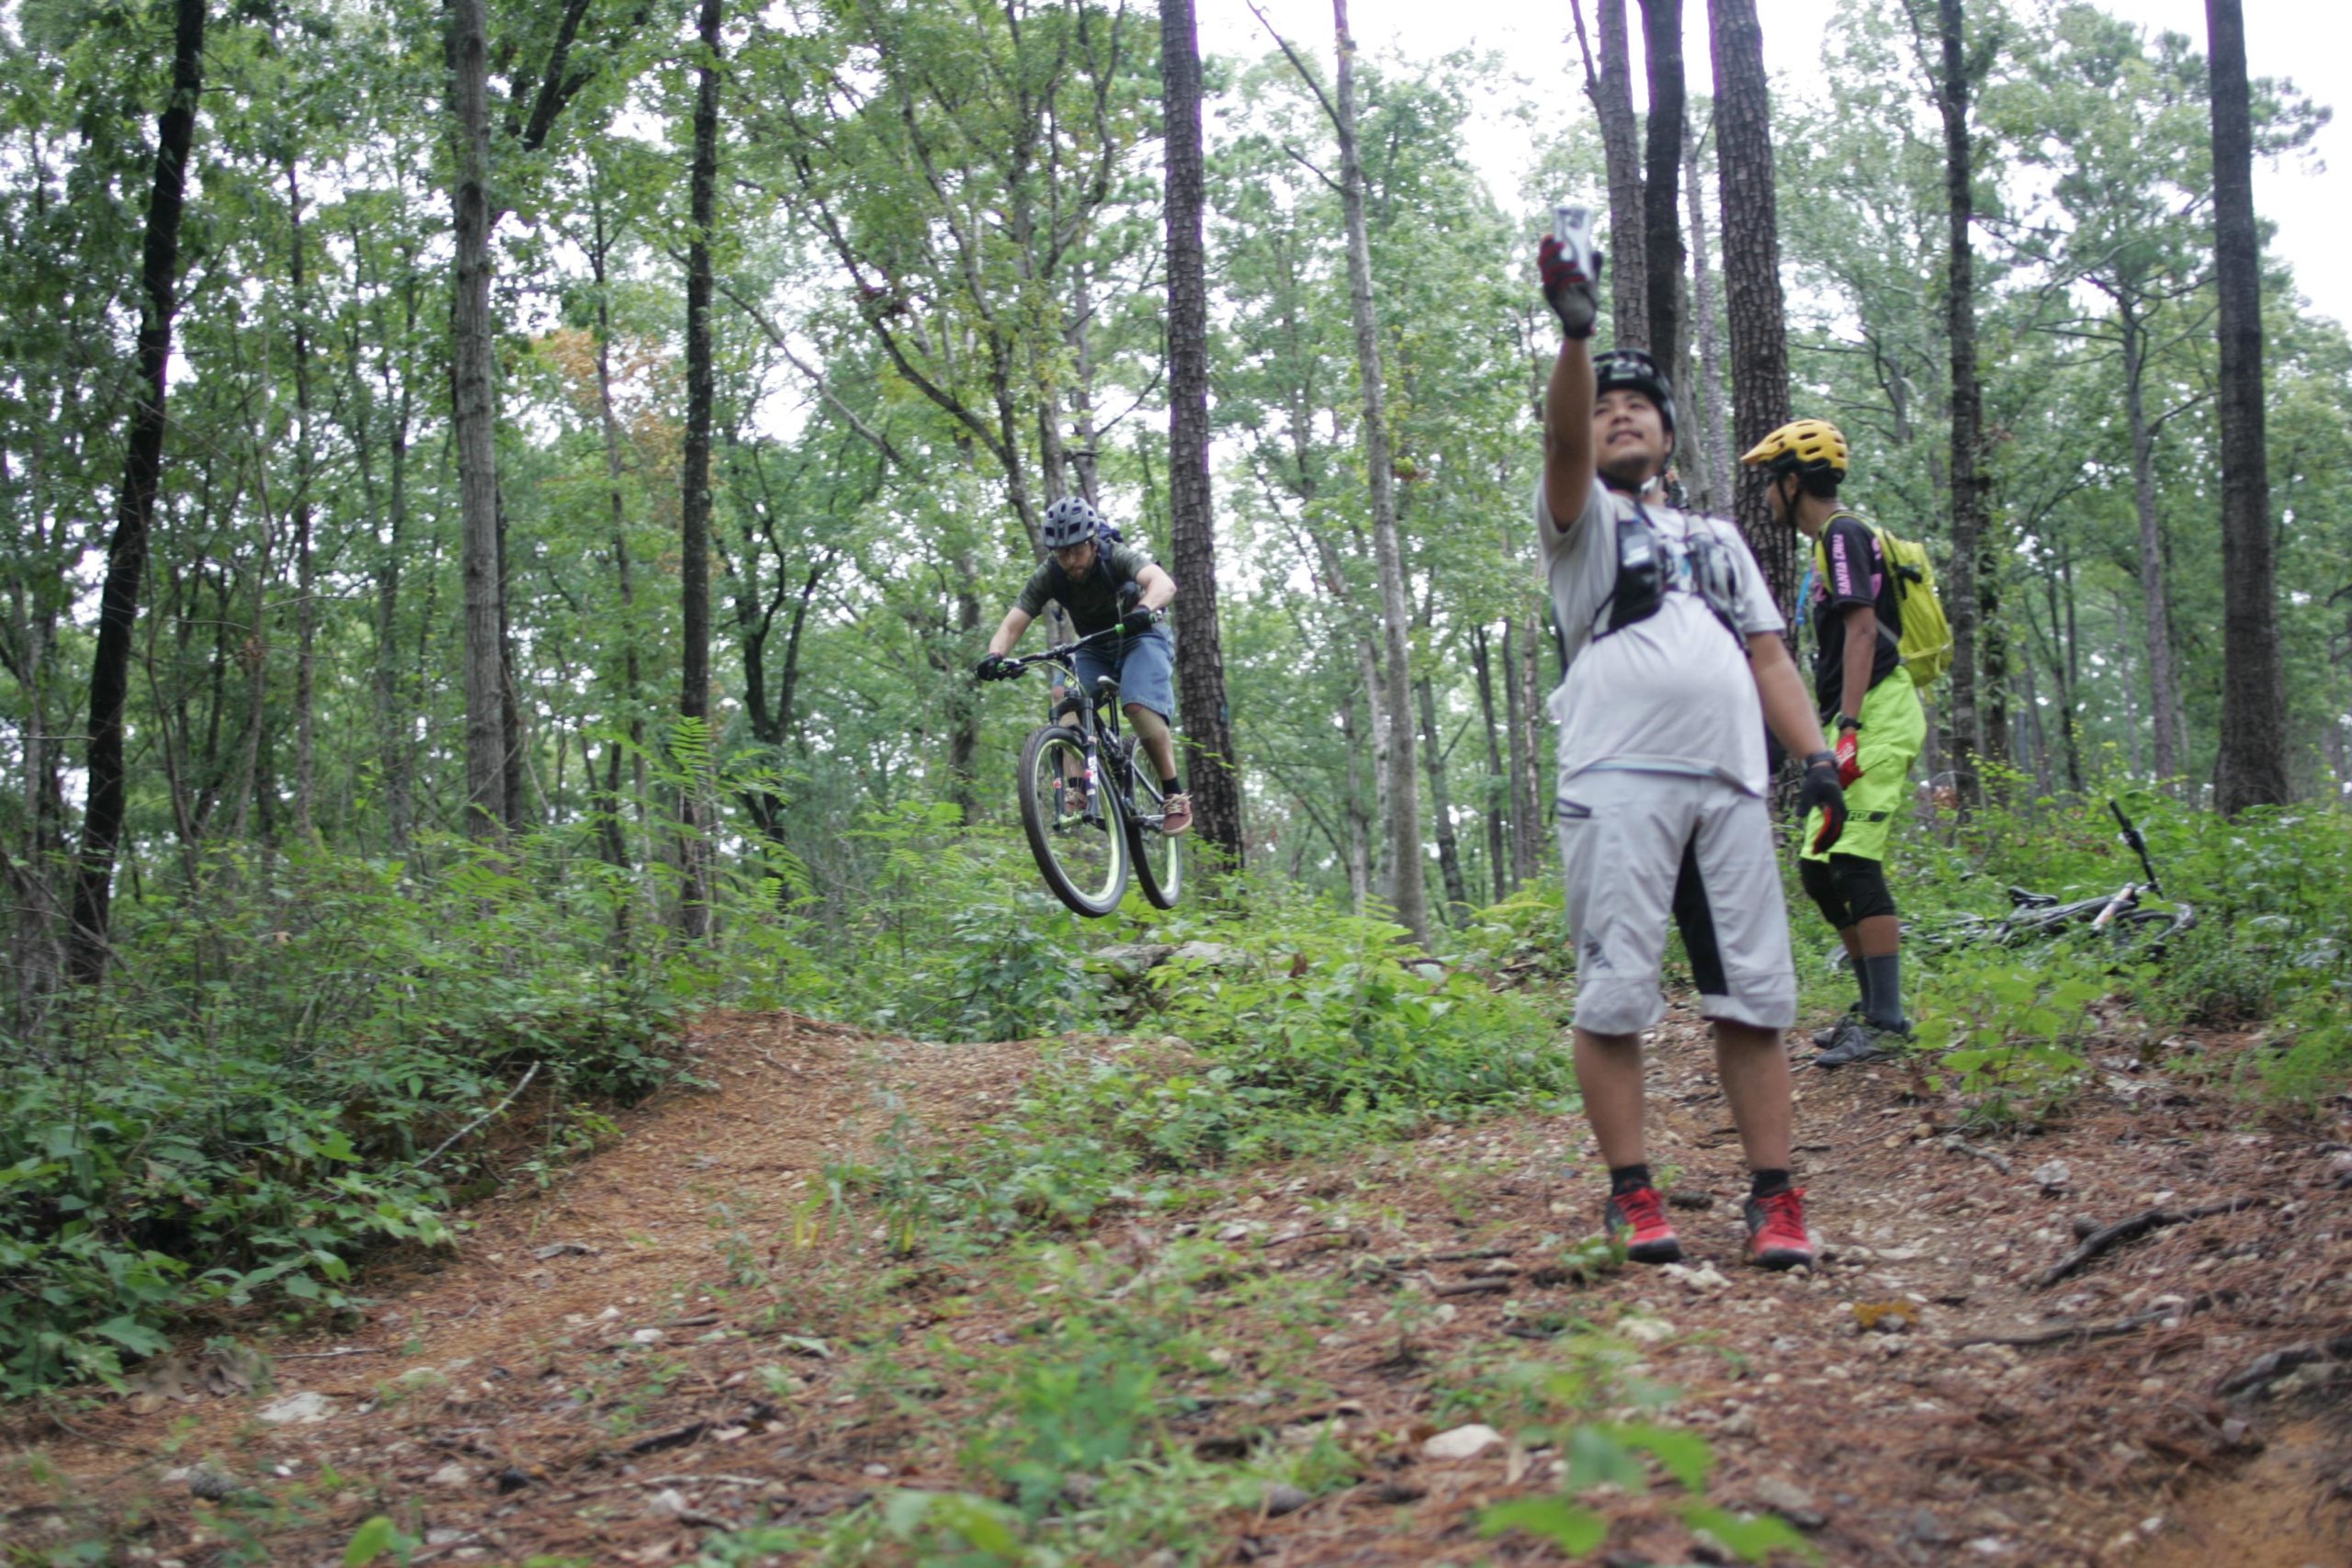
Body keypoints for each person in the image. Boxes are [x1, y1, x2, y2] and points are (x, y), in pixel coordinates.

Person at [1534, 222, 1848, 1271]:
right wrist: (1576, 338)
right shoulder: (1577, 524)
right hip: (1616, 781)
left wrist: (1812, 761)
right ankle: (1632, 1195)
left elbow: (1767, 657)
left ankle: (1775, 1197)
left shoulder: (1715, 539)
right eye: (1607, 406)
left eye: (1641, 407)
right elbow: (1563, 444)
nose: (1620, 417)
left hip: (1727, 786)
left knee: (1751, 993)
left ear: (1669, 435)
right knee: (1615, 989)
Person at [1741, 421, 1928, 1067]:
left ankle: (1887, 1019)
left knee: (1852, 862)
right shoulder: (1830, 543)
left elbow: (1862, 631)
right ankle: (1870, 1006)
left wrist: (1846, 728)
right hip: (1853, 712)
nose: (1766, 495)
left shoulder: (1842, 535)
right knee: (1818, 867)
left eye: (1771, 481)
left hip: (1876, 710)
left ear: (1794, 482)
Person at [975, 496, 1191, 836]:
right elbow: (1013, 623)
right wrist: (995, 656)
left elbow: (1163, 583)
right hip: (1094, 645)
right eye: (1062, 553)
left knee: (1136, 703)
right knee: (1065, 697)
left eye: (1077, 550)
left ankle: (1174, 793)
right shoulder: (1051, 574)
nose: (1070, 560)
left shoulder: (1114, 555)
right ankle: (1076, 785)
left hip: (1141, 634)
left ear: (1092, 543)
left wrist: (1143, 610)